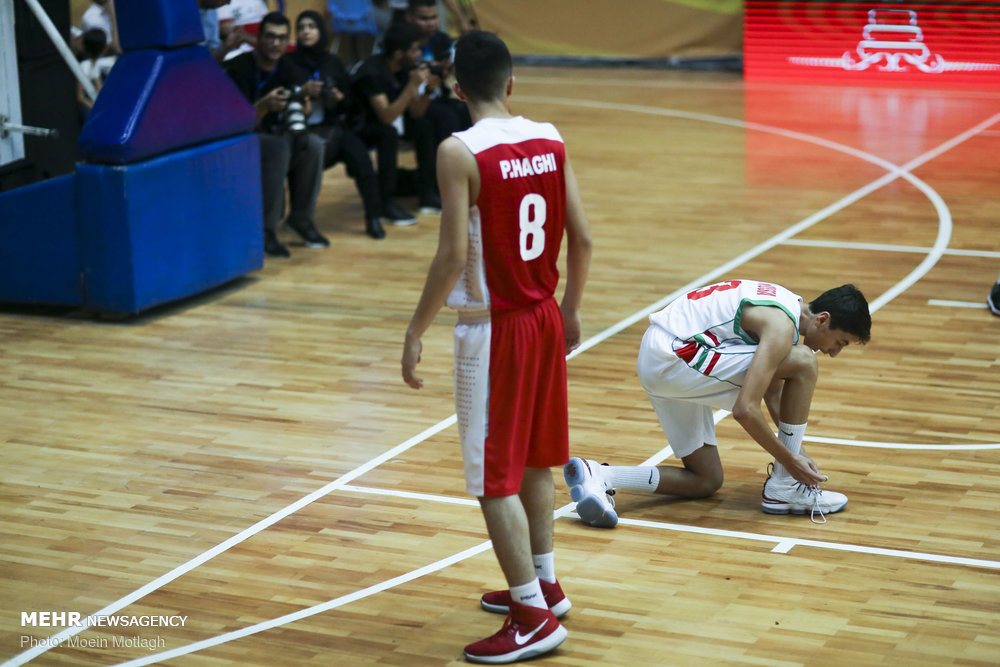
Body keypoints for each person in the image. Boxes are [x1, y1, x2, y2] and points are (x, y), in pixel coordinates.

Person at [402, 31, 592, 663]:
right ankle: (544, 582)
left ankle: (532, 616)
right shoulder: (551, 136)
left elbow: (453, 253)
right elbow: (583, 239)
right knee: (536, 459)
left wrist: (415, 328)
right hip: (542, 316)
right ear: (512, 83)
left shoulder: (458, 151)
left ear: (457, 89)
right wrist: (570, 309)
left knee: (491, 479)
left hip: (495, 327)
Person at [565, 281, 871, 527]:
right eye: (840, 342)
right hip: (675, 356)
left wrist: (797, 453)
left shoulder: (783, 305)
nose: (834, 353)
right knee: (805, 363)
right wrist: (790, 463)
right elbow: (745, 410)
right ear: (823, 319)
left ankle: (601, 476)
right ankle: (784, 488)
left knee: (706, 480)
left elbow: (774, 394)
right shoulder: (782, 328)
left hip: (663, 355)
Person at [225, 11, 328, 258]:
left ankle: (301, 219)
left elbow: (298, 113)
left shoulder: (289, 69)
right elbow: (233, 123)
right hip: (240, 139)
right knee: (277, 147)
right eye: (270, 37)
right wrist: (263, 106)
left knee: (314, 144)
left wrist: (303, 104)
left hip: (275, 135)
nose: (275, 44)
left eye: (282, 38)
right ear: (258, 39)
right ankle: (266, 231)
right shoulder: (239, 68)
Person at [287, 11, 386, 239]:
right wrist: (303, 93)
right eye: (301, 27)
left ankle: (374, 217)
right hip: (300, 131)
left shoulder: (332, 61)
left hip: (332, 129)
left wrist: (339, 98)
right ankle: (300, 219)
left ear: (321, 31)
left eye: (312, 26)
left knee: (360, 156)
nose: (306, 31)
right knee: (305, 157)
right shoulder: (289, 63)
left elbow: (351, 103)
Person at [352, 22, 437, 221]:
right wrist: (413, 85)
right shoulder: (372, 73)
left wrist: (429, 90)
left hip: (385, 122)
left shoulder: (403, 68)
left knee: (424, 126)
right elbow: (387, 116)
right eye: (414, 50)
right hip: (358, 126)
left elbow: (416, 113)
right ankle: (385, 203)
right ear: (399, 54)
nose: (418, 54)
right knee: (387, 133)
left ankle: (428, 194)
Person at [405, 0, 473, 146]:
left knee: (467, 110)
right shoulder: (401, 41)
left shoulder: (442, 40)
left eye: (434, 17)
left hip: (437, 96)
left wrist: (450, 68)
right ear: (409, 17)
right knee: (446, 117)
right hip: (409, 102)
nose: (430, 23)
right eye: (424, 19)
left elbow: (457, 73)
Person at [76, 28, 116, 118]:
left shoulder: (96, 65)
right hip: (89, 109)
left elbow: (99, 88)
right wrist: (94, 107)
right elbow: (80, 96)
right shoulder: (85, 66)